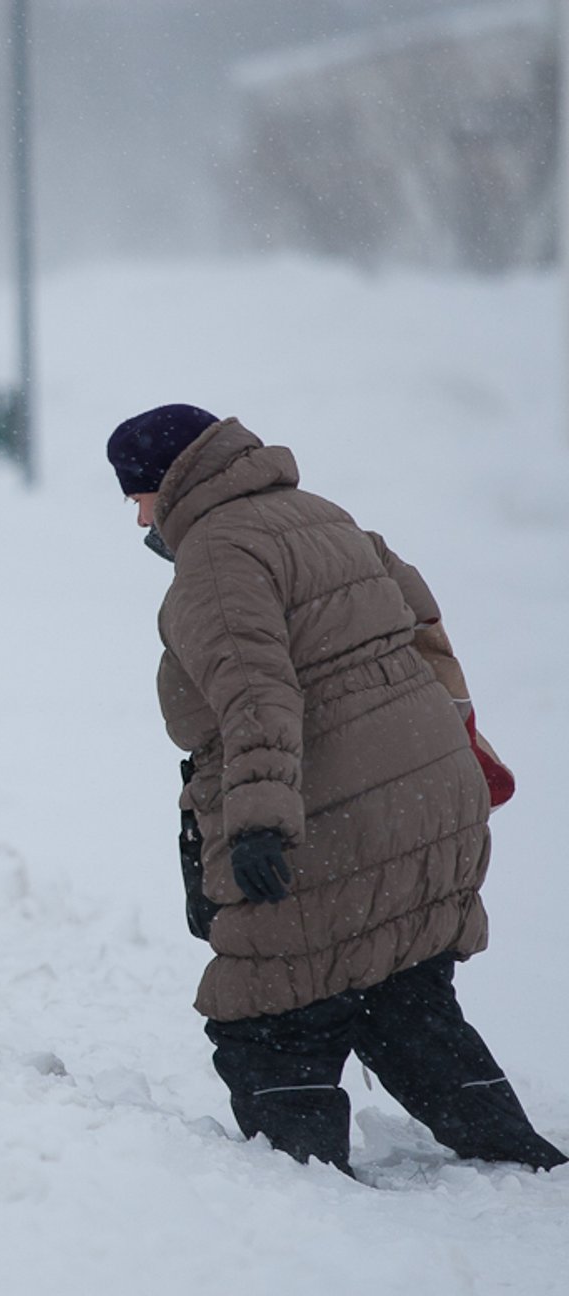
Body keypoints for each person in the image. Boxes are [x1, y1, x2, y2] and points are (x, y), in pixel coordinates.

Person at [110, 403, 563, 1175]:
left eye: (138, 499)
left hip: (329, 814)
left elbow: (255, 695)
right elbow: (426, 625)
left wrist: (258, 823)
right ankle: (516, 1158)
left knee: (271, 1007)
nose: (141, 520)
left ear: (168, 481)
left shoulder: (216, 557)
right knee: (401, 993)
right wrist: (455, 744)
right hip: (424, 796)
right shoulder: (323, 516)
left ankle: (306, 1186)